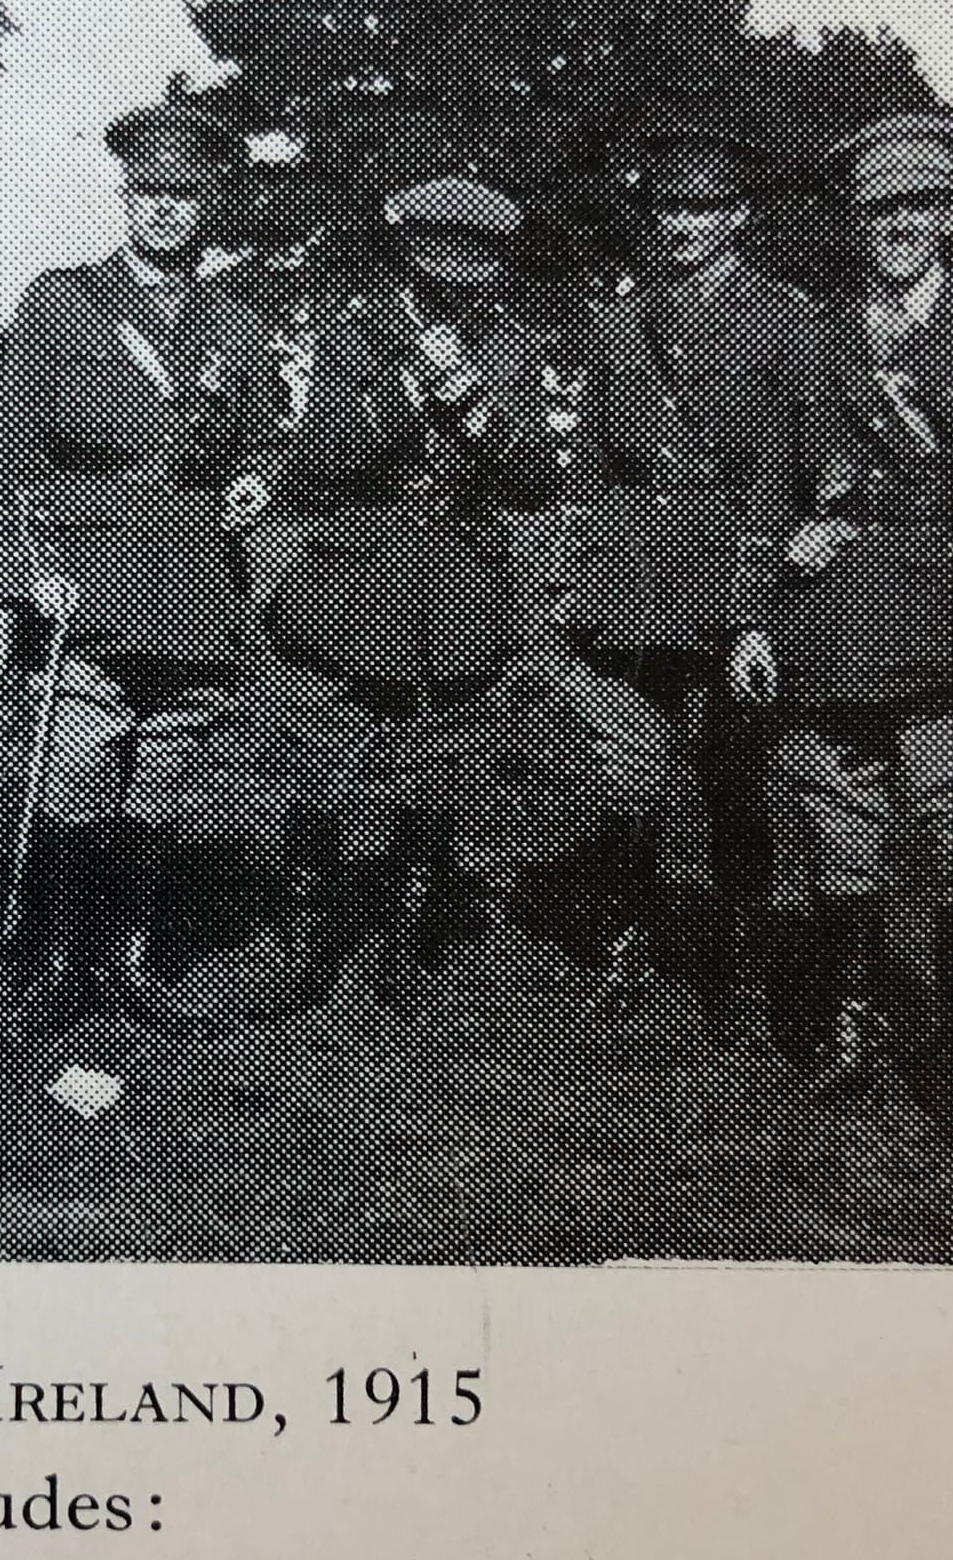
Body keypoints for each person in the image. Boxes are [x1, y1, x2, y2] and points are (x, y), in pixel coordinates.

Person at [251, 156, 665, 1012]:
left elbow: (534, 479)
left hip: (461, 571)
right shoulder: (352, 333)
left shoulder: (509, 342)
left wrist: (467, 397)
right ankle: (316, 925)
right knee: (334, 749)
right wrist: (404, 394)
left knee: (440, 743)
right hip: (359, 565)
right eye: (435, 269)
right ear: (408, 257)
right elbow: (323, 464)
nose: (452, 289)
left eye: (470, 271)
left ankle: (416, 909)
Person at [0, 103, 284, 1030]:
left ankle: (132, 954)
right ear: (124, 196)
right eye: (149, 193)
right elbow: (5, 451)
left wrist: (257, 480)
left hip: (189, 580)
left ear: (209, 204)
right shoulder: (61, 301)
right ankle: (61, 957)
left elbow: (267, 435)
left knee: (164, 771)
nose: (164, 211)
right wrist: (22, 573)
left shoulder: (236, 318)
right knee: (74, 765)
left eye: (184, 195)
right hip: (85, 574)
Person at [745, 113, 953, 1120]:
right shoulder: (811, 341)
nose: (897, 226)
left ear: (948, 217)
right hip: (830, 618)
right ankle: (851, 1029)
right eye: (877, 210)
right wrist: (753, 609)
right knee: (837, 822)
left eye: (918, 206)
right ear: (851, 225)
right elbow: (771, 486)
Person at [563, 123, 848, 1041]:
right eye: (667, 208)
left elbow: (818, 462)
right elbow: (594, 468)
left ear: (738, 218)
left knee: (736, 779)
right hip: (638, 584)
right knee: (636, 775)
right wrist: (581, 573)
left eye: (702, 209)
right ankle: (639, 945)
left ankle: (745, 963)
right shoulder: (621, 318)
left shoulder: (786, 317)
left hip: (739, 585)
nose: (681, 225)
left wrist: (787, 568)